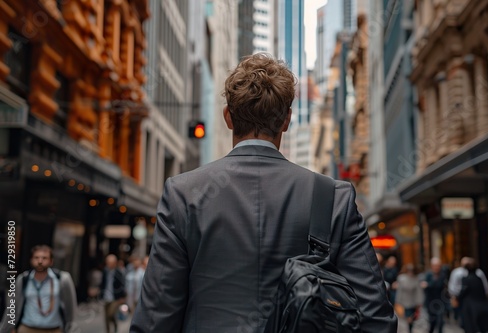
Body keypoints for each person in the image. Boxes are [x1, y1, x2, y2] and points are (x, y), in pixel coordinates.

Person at [130, 53, 397, 333]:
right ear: (286, 120)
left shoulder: (183, 194)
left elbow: (154, 320)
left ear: (228, 118)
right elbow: (376, 319)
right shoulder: (333, 198)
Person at [0, 245, 77, 333]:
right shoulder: (23, 280)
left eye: (44, 258)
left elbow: (70, 309)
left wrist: (71, 329)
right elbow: (12, 308)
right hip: (26, 329)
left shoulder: (62, 279)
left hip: (53, 329)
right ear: (31, 260)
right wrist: (4, 329)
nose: (40, 261)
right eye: (36, 258)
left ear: (51, 261)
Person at [448, 256, 488, 327]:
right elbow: (452, 286)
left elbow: (485, 287)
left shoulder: (478, 273)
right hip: (463, 300)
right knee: (466, 321)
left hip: (476, 301)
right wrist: (454, 297)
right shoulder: (457, 273)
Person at [458, 261, 488, 333]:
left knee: (471, 327)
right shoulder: (479, 278)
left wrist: (458, 299)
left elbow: (462, 292)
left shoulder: (466, 279)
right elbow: (485, 291)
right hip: (482, 306)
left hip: (470, 308)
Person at [100, 254, 126, 333]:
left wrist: (122, 297)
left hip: (115, 297)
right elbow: (102, 283)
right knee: (106, 317)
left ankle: (115, 326)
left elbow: (122, 285)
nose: (108, 264)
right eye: (107, 262)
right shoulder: (105, 271)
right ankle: (108, 331)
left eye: (110, 262)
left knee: (110, 314)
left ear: (114, 263)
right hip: (106, 296)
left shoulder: (118, 272)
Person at [421, 257, 448, 333]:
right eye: (435, 265)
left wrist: (429, 285)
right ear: (432, 266)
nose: (437, 267)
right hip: (430, 302)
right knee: (432, 321)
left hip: (440, 302)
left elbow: (439, 285)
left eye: (438, 266)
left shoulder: (442, 274)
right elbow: (424, 287)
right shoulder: (428, 274)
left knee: (440, 322)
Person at [395, 264, 423, 333]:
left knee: (412, 318)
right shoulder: (401, 278)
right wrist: (397, 301)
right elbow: (399, 291)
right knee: (407, 317)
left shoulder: (416, 279)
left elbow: (418, 291)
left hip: (413, 301)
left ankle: (410, 329)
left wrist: (419, 302)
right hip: (404, 301)